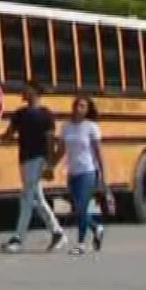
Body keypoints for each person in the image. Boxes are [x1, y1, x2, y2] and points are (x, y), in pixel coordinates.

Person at [0, 81, 66, 253]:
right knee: (37, 198)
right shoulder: (19, 114)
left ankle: (18, 239)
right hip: (24, 160)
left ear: (35, 92)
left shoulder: (46, 115)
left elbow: (50, 142)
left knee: (27, 198)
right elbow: (8, 135)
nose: (23, 91)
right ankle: (57, 232)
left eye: (27, 89)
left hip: (38, 159)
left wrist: (50, 166)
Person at [62, 95, 108, 255]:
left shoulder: (91, 127)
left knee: (82, 207)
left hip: (88, 172)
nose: (78, 108)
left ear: (88, 109)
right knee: (78, 210)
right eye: (76, 105)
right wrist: (50, 166)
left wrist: (102, 176)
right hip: (73, 172)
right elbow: (62, 150)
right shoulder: (66, 127)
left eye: (82, 106)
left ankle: (81, 243)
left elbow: (98, 152)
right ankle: (96, 228)